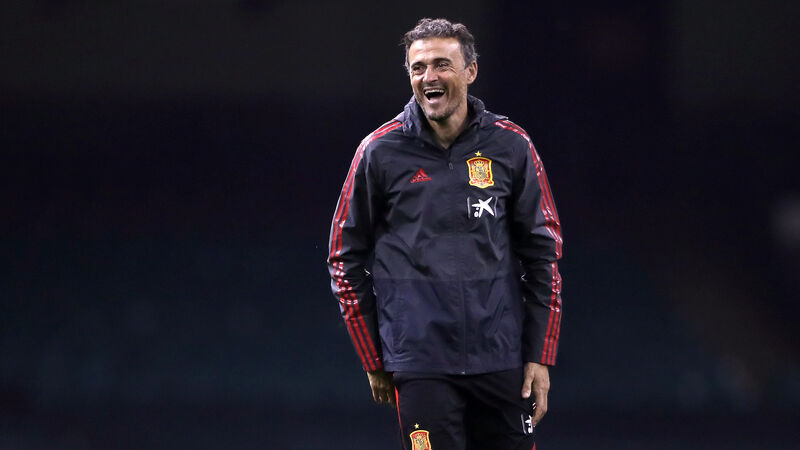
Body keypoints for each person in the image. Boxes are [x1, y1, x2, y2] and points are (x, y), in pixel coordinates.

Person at [327, 17, 563, 450]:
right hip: (420, 364)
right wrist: (373, 357)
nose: (428, 77)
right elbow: (344, 257)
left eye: (441, 65)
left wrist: (539, 355)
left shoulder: (512, 146)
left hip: (501, 359)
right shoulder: (378, 151)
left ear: (470, 72)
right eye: (417, 68)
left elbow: (543, 255)